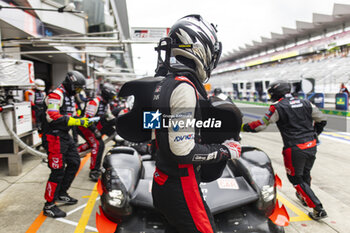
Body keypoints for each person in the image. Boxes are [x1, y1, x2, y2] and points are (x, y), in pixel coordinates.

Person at [151, 15, 241, 233]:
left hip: (162, 180)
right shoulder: (184, 87)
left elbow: (154, 132)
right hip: (181, 184)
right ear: (201, 47)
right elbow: (182, 150)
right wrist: (225, 151)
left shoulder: (163, 84)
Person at [242, 80, 328, 221]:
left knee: (295, 178)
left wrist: (243, 127)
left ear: (275, 93)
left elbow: (261, 125)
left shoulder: (277, 107)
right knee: (305, 173)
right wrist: (314, 135)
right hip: (311, 145)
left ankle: (318, 208)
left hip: (294, 148)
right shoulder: (306, 102)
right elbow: (322, 119)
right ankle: (305, 197)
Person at [41, 71, 92, 218]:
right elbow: (52, 116)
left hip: (64, 135)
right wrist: (77, 121)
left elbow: (71, 115)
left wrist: (82, 119)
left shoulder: (70, 97)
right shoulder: (56, 95)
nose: (78, 91)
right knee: (57, 171)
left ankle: (61, 193)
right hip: (53, 136)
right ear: (70, 83)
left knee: (75, 162)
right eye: (76, 88)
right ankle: (49, 205)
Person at [77, 82, 117, 181]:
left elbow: (109, 117)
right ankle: (94, 171)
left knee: (92, 144)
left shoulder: (105, 104)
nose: (112, 99)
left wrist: (119, 122)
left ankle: (73, 152)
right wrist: (95, 131)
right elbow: (88, 119)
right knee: (98, 145)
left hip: (93, 126)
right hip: (85, 126)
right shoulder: (94, 102)